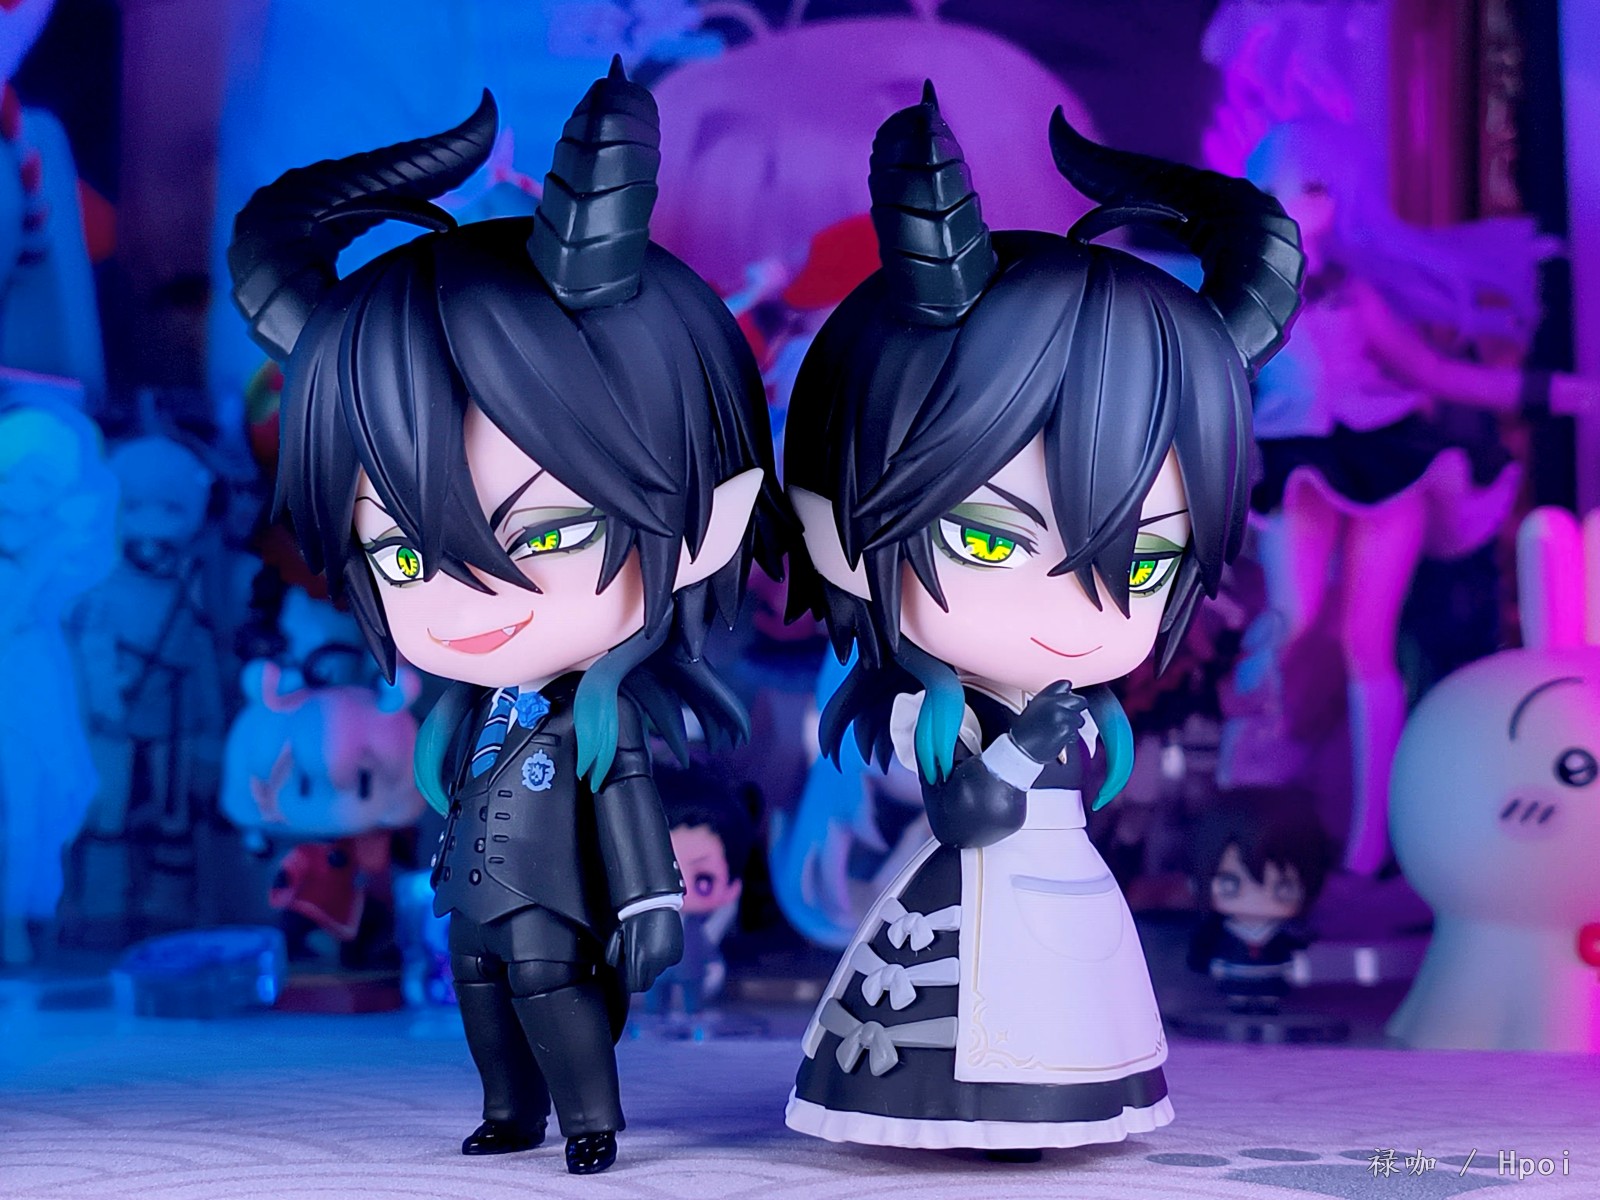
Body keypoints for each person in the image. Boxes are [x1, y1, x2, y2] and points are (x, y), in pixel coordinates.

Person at [227, 61, 784, 1176]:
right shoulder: (467, 712)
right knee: (481, 986)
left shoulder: (594, 712)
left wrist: (650, 901)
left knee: (544, 985)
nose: (468, 596)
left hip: (558, 905)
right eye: (402, 553)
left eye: (549, 533)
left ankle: (589, 1120)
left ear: (698, 524)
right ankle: (508, 1112)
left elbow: (625, 805)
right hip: (475, 894)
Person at [779, 84, 1303, 1153]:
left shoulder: (1072, 701)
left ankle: (1066, 1102)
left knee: (1073, 1010)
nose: (1077, 608)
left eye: (1144, 560)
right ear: (843, 528)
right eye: (987, 542)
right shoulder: (931, 708)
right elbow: (966, 816)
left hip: (1060, 893)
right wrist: (1022, 749)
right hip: (973, 902)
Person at [1243, 119, 1600, 874]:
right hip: (1294, 459)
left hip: (1386, 456)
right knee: (1291, 625)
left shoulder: (1353, 294)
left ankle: (1372, 842)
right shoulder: (1239, 293)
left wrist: (1548, 391)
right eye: (1276, 188)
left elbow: (1438, 375)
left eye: (1315, 189)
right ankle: (1258, 793)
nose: (1298, 204)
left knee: (1367, 643)